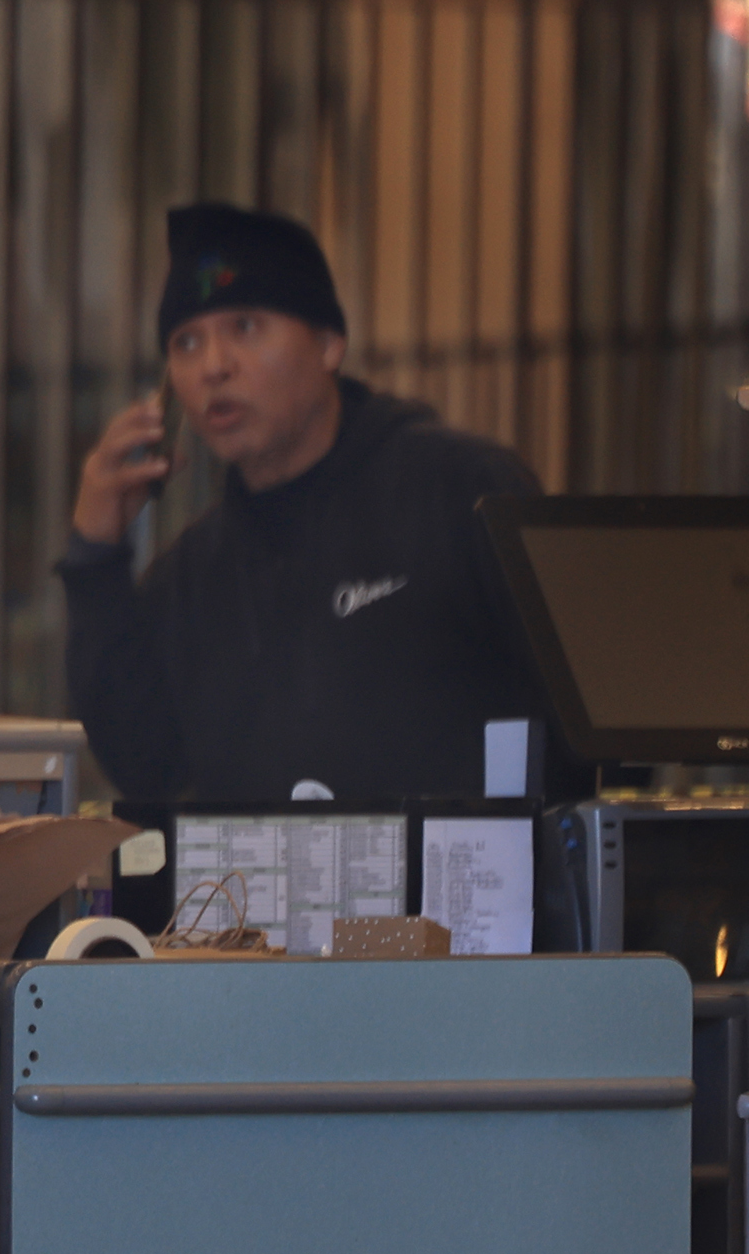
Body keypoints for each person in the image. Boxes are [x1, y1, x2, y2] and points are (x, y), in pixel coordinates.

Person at [60, 201, 547, 806]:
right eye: (186, 342)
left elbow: (578, 716)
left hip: (462, 869)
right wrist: (94, 556)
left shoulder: (461, 491)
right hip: (255, 872)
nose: (213, 366)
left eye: (245, 327)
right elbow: (145, 767)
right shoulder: (192, 575)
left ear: (328, 345)